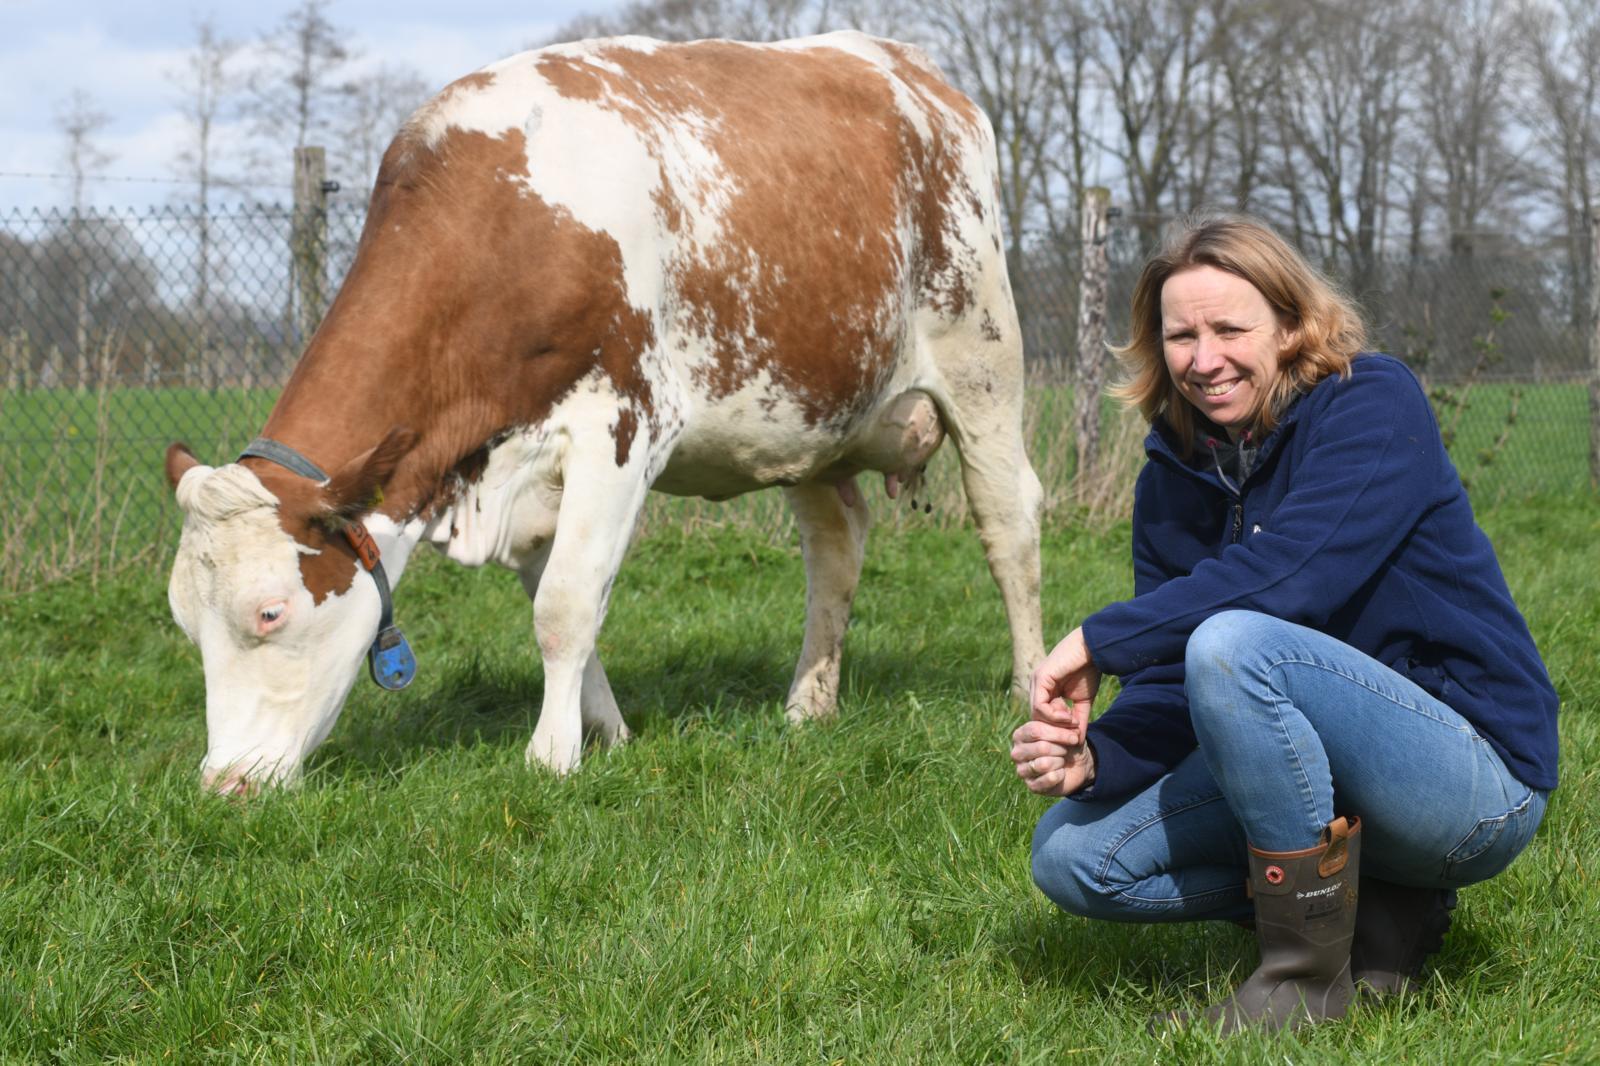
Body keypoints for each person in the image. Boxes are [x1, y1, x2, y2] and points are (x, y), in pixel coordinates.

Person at [1012, 213, 1559, 1034]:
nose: (1204, 360)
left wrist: (1098, 640)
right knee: (1070, 859)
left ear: (1294, 324)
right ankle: (1366, 910)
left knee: (1234, 641)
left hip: (1470, 778)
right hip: (1312, 766)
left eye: (1230, 328)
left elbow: (1292, 577)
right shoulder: (1171, 476)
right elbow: (1170, 685)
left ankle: (1304, 979)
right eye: (1180, 335)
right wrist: (1099, 759)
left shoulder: (1371, 403)